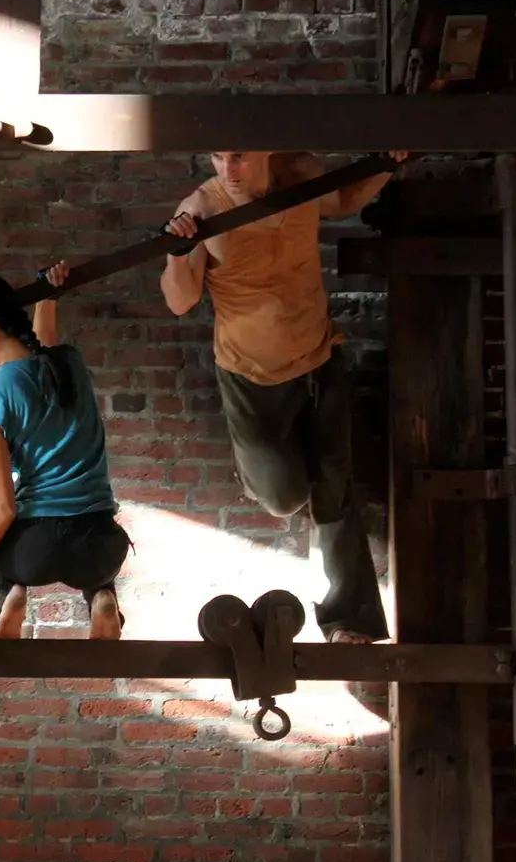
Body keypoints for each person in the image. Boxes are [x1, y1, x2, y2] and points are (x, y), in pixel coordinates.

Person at [161, 150, 408, 644]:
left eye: (240, 158)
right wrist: (178, 249)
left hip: (319, 356)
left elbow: (341, 199)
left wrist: (387, 164)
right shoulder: (203, 209)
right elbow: (180, 299)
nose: (229, 170)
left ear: (267, 153)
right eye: (218, 158)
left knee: (335, 491)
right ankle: (258, 473)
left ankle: (347, 623)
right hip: (252, 375)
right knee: (283, 496)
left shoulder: (303, 177)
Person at [0, 261, 129, 639]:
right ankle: (104, 598)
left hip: (33, 552)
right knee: (96, 542)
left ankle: (8, 596)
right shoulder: (67, 364)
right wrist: (47, 296)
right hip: (102, 548)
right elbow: (42, 347)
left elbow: (2, 510)